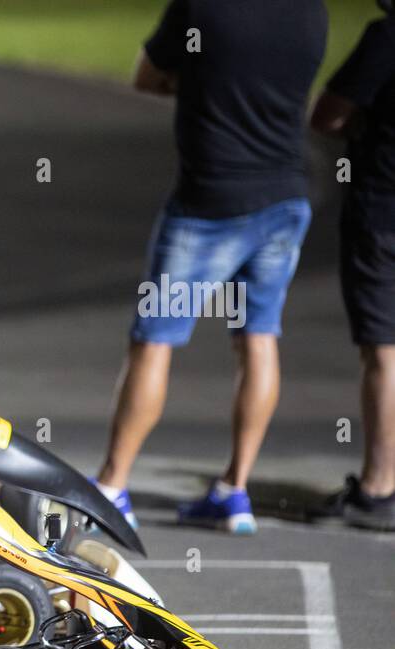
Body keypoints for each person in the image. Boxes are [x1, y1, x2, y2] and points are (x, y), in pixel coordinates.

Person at [94, 0, 326, 535]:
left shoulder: (201, 6)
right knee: (258, 336)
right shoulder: (311, 11)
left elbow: (147, 77)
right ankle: (234, 490)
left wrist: (200, 84)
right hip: (286, 198)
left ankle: (112, 484)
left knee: (155, 339)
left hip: (209, 206)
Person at [309, 0, 395, 532]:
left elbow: (329, 114)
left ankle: (380, 486)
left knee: (383, 351)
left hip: (383, 211)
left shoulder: (386, 37)